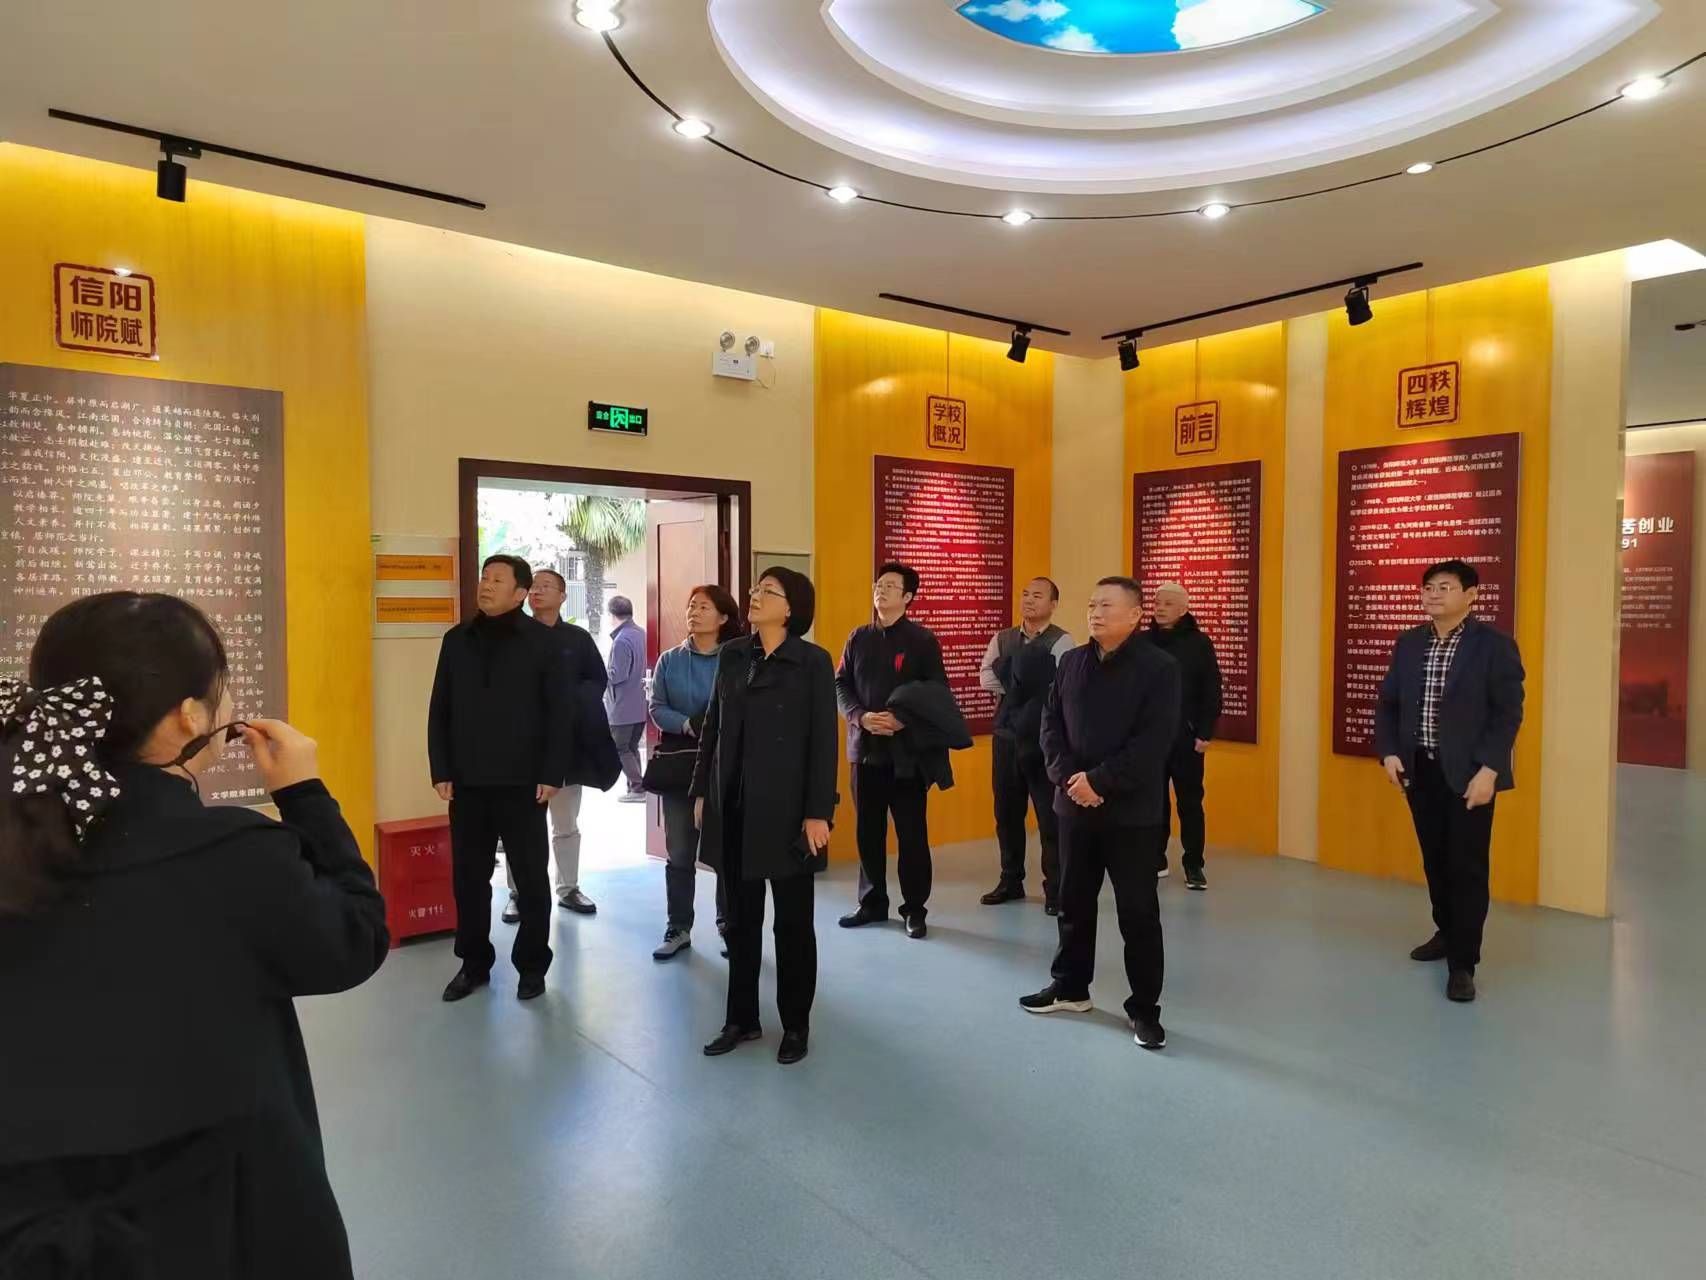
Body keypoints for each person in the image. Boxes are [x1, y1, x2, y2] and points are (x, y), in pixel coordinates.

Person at [0, 592, 387, 1279]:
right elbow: (353, 938)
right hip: (217, 1214)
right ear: (190, 716)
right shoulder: (234, 855)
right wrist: (304, 793)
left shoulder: (20, 843)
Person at [1021, 577, 1180, 1051]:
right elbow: (1050, 726)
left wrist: (1100, 782)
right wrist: (1070, 778)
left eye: (1107, 605)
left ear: (1135, 614)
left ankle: (1144, 1008)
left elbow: (1153, 743)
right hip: (1073, 806)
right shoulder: (1072, 662)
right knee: (1072, 901)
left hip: (1132, 814)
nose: (1095, 612)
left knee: (1137, 913)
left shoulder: (1159, 668)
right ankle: (1070, 987)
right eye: (1092, 604)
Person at [693, 568, 838, 1065]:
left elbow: (824, 741)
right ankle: (741, 1018)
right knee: (739, 923)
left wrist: (818, 812)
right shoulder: (734, 654)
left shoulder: (812, 662)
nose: (754, 596)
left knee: (793, 927)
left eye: (767, 592)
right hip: (734, 807)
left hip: (789, 813)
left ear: (791, 607)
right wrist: (701, 791)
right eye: (755, 589)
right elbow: (712, 727)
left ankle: (795, 1024)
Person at [1375, 559, 1525, 1004]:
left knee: (1467, 866)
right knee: (1435, 859)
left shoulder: (1493, 646)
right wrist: (1389, 752)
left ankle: (1463, 962)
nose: (1433, 594)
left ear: (1471, 594)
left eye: (1445, 587)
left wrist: (1490, 770)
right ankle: (1446, 931)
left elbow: (1507, 714)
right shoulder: (1409, 643)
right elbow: (1388, 704)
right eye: (1428, 587)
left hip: (1470, 775)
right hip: (1419, 771)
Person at [428, 554, 572, 1003]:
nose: (486, 585)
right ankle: (473, 963)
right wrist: (441, 768)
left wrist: (552, 772)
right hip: (468, 782)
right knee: (469, 879)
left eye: (497, 580)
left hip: (524, 784)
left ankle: (532, 965)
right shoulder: (457, 640)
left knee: (530, 880)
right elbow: (440, 709)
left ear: (520, 593)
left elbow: (559, 714)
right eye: (484, 577)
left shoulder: (542, 643)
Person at [835, 562, 948, 939]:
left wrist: (902, 719)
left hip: (906, 755)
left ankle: (914, 908)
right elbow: (841, 684)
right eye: (878, 585)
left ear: (908, 597)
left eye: (890, 586)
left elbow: (936, 693)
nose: (880, 591)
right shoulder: (858, 637)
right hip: (865, 750)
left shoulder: (923, 641)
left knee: (911, 834)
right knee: (868, 832)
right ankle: (872, 902)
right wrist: (860, 716)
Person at [501, 568, 607, 921]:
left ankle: (569, 887)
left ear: (563, 597)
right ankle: (517, 892)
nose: (538, 591)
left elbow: (597, 680)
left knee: (566, 823)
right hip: (521, 750)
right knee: (519, 827)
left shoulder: (577, 638)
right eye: (534, 586)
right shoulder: (512, 635)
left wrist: (566, 703)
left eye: (547, 586)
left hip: (566, 748)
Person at [647, 584, 742, 959]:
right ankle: (678, 926)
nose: (694, 612)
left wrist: (716, 728)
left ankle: (728, 925)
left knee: (725, 850)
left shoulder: (736, 659)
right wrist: (689, 724)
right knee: (680, 851)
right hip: (682, 765)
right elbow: (657, 707)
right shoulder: (670, 660)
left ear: (722, 617)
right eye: (691, 606)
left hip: (727, 766)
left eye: (704, 607)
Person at [978, 576, 1076, 911]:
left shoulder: (1062, 641)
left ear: (1053, 604)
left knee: (1050, 817)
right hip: (1006, 737)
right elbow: (985, 677)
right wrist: (1025, 685)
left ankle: (1056, 889)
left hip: (1044, 740)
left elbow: (1063, 685)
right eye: (1025, 594)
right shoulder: (1003, 637)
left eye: (1038, 595)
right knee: (1006, 813)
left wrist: (1013, 679)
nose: (1029, 600)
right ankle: (1010, 880)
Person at [1143, 582, 1222, 890]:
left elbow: (1211, 689)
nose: (1160, 608)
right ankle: (1156, 858)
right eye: (1157, 602)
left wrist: (1205, 731)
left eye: (1168, 603)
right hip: (1150, 737)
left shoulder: (1199, 643)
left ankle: (1193, 863)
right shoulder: (1142, 641)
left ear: (1184, 609)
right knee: (1154, 800)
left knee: (1190, 802)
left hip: (1186, 737)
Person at [604, 595, 649, 802]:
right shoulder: (641, 634)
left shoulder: (621, 640)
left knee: (620, 747)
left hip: (623, 706)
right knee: (630, 747)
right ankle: (636, 788)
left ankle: (638, 787)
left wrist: (599, 673)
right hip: (640, 703)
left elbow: (617, 675)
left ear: (612, 615)